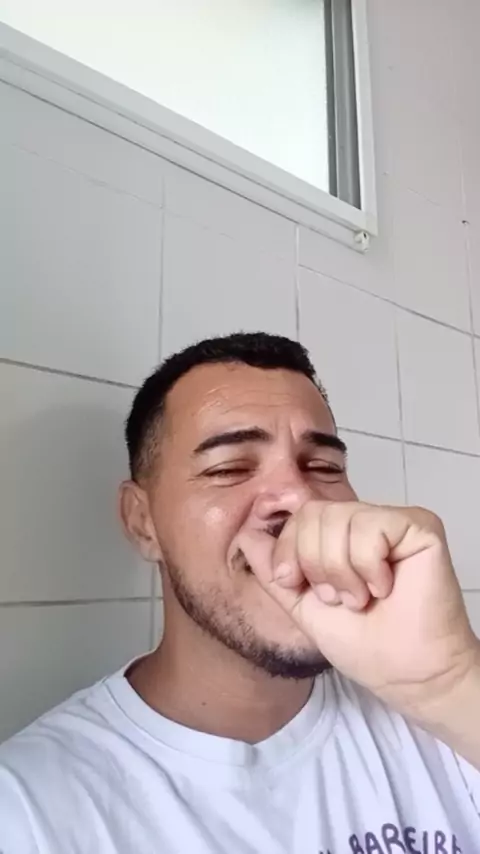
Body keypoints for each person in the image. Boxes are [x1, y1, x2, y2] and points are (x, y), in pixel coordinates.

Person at [1, 331, 480, 854]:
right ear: (143, 523)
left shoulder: (443, 717)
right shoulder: (28, 811)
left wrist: (450, 681)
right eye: (229, 468)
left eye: (324, 467)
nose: (299, 497)